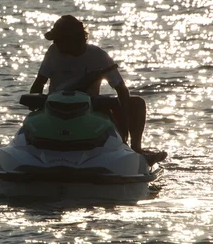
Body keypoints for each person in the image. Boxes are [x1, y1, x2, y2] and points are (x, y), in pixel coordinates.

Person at [29, 15, 165, 161]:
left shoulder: (98, 55)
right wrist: (34, 103)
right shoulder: (53, 52)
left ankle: (135, 150)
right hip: (56, 104)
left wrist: (124, 121)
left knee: (137, 103)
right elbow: (39, 84)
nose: (56, 43)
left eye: (60, 39)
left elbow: (121, 89)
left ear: (76, 39)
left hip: (90, 104)